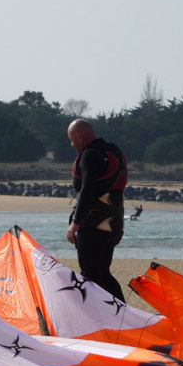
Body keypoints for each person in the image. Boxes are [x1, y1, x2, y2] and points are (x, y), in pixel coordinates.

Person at [65, 118, 128, 301]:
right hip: (113, 225)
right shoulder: (112, 150)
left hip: (93, 226)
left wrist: (75, 223)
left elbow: (87, 189)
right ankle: (122, 314)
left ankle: (104, 318)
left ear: (79, 136)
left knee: (90, 275)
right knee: (102, 274)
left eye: (71, 139)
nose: (71, 144)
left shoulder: (90, 154)